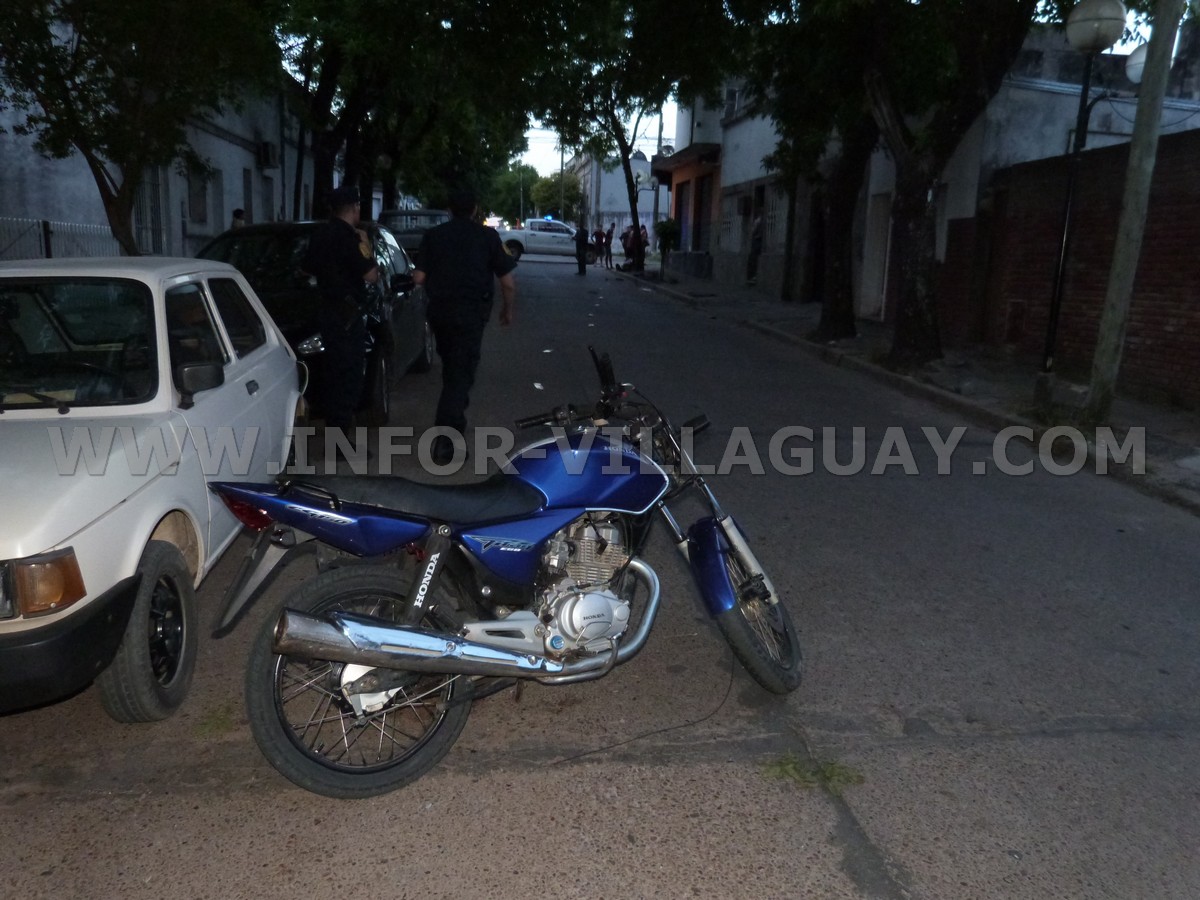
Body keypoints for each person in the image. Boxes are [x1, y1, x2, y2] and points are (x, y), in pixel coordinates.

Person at [414, 189, 517, 465]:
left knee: (453, 370)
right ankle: (444, 443)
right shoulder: (487, 237)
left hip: (440, 314)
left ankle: (454, 425)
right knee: (460, 376)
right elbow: (507, 282)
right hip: (470, 316)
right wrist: (507, 310)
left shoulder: (433, 236)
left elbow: (419, 277)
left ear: (449, 209)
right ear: (475, 209)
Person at [300, 184, 378, 437]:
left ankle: (336, 436)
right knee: (349, 378)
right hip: (348, 316)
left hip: (327, 312)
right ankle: (339, 442)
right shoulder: (351, 238)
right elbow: (371, 275)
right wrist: (366, 245)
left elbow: (306, 268)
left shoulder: (320, 235)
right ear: (354, 208)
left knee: (333, 376)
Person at [746, 213, 764, 285]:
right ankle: (752, 276)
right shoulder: (759, 221)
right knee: (753, 258)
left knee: (753, 258)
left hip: (757, 241)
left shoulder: (758, 221)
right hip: (758, 241)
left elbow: (753, 231)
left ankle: (752, 276)